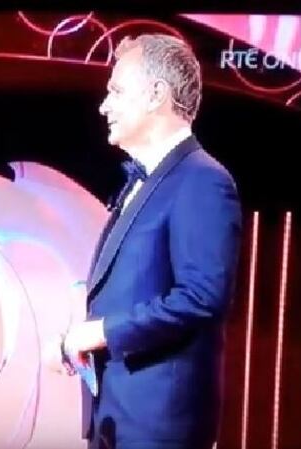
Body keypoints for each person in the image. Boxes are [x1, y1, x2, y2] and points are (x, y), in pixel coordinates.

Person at [47, 34, 243, 449]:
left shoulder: (203, 180)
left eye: (116, 91)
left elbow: (201, 297)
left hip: (159, 426)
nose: (104, 106)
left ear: (157, 95)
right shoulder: (146, 181)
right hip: (117, 417)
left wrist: (101, 331)